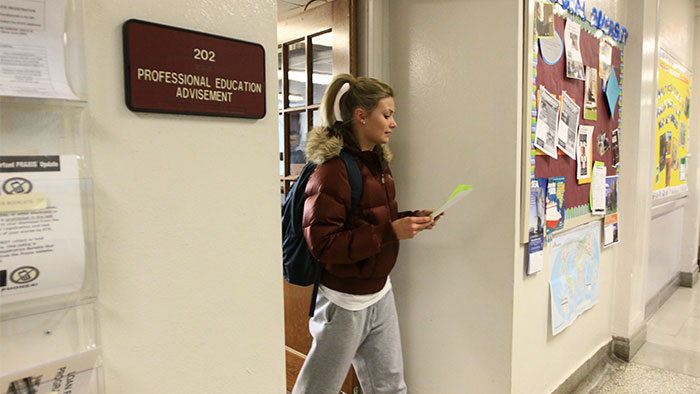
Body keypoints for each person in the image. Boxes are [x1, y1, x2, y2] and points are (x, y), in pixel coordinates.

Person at [292, 74, 441, 394]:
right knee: (317, 390)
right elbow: (324, 245)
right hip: (343, 303)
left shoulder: (378, 163)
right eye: (387, 115)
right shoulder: (331, 171)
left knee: (390, 388)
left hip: (379, 293)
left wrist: (409, 220)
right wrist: (390, 231)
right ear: (361, 115)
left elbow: (370, 219)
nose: (394, 123)